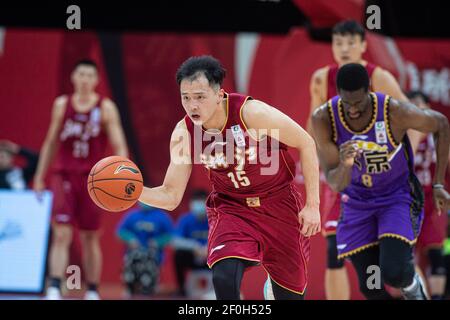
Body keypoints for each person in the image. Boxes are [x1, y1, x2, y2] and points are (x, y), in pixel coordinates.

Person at [138, 55, 321, 300]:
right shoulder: (185, 133)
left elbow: (306, 143)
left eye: (200, 97)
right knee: (224, 276)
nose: (193, 106)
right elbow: (171, 195)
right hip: (232, 207)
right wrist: (133, 192)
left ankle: (273, 287)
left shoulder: (251, 113)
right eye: (186, 98)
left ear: (219, 94)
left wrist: (312, 205)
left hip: (278, 204)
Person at [311, 63, 450, 300]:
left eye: (358, 103)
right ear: (338, 95)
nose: (353, 110)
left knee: (394, 272)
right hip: (357, 203)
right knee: (371, 286)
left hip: (395, 198)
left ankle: (413, 288)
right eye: (347, 103)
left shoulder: (393, 111)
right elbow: (335, 183)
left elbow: (440, 124)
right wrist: (345, 164)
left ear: (369, 91)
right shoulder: (324, 118)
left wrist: (438, 184)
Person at [306, 20, 418, 300]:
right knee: (334, 249)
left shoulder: (379, 77)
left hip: (381, 180)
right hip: (342, 175)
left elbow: (412, 120)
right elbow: (311, 129)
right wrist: (314, 165)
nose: (344, 49)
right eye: (338, 43)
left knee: (386, 261)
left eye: (350, 43)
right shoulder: (321, 77)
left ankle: (411, 287)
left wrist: (402, 161)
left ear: (364, 45)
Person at [33, 59, 128, 300]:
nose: (85, 79)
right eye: (81, 74)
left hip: (93, 180)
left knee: (89, 236)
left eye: (89, 75)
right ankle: (55, 286)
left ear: (96, 80)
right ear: (74, 77)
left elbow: (119, 145)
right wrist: (39, 176)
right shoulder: (62, 104)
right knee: (62, 233)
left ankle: (92, 289)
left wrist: (122, 174)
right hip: (64, 175)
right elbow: (51, 142)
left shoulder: (105, 108)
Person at [409, 90, 449, 299]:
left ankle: (438, 297)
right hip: (408, 201)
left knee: (436, 251)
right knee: (405, 256)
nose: (415, 109)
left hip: (433, 201)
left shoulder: (438, 133)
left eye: (419, 104)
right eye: (411, 104)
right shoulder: (401, 132)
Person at [116, 202, 173, 297]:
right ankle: (130, 287)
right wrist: (130, 239)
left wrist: (157, 242)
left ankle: (149, 287)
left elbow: (171, 235)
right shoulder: (132, 215)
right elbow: (120, 231)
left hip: (153, 254)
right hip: (134, 253)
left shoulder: (162, 217)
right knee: (131, 259)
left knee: (149, 262)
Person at [172, 189, 210, 297]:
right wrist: (194, 247)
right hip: (192, 257)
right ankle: (181, 289)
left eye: (201, 201)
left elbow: (221, 239)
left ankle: (222, 289)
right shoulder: (185, 219)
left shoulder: (214, 218)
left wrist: (207, 248)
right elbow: (176, 241)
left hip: (210, 259)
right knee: (178, 255)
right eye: (196, 201)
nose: (199, 205)